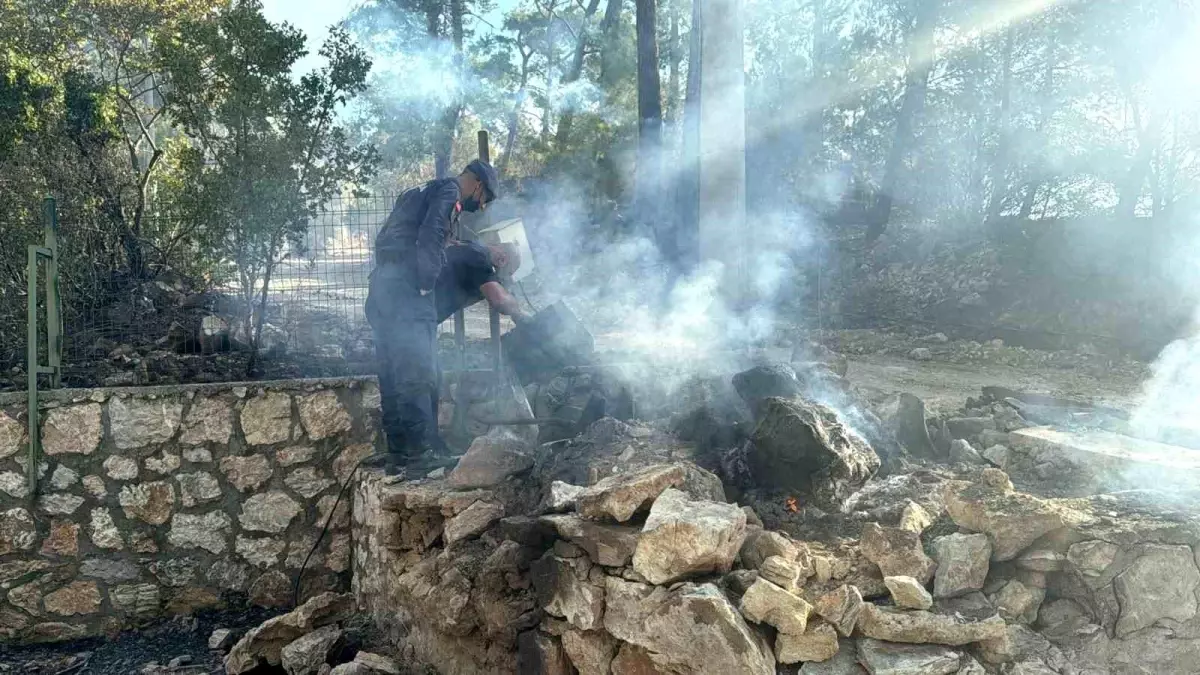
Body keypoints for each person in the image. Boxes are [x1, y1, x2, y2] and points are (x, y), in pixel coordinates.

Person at [365, 160, 498, 474]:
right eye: (483, 200)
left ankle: (398, 454)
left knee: (392, 369)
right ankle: (422, 453)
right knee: (418, 370)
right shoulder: (448, 191)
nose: (478, 208)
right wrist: (425, 281)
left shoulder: (418, 191)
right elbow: (433, 232)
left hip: (382, 286)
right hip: (408, 289)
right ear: (477, 184)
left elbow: (386, 237)